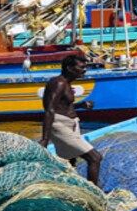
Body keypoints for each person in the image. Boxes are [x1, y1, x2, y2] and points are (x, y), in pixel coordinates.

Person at [39, 55, 104, 187]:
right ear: (69, 68)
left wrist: (81, 106)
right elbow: (49, 110)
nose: (84, 70)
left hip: (72, 124)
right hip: (59, 126)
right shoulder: (58, 83)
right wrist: (45, 138)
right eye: (81, 67)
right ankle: (94, 192)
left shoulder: (66, 84)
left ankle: (68, 188)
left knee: (70, 163)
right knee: (95, 158)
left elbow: (61, 106)